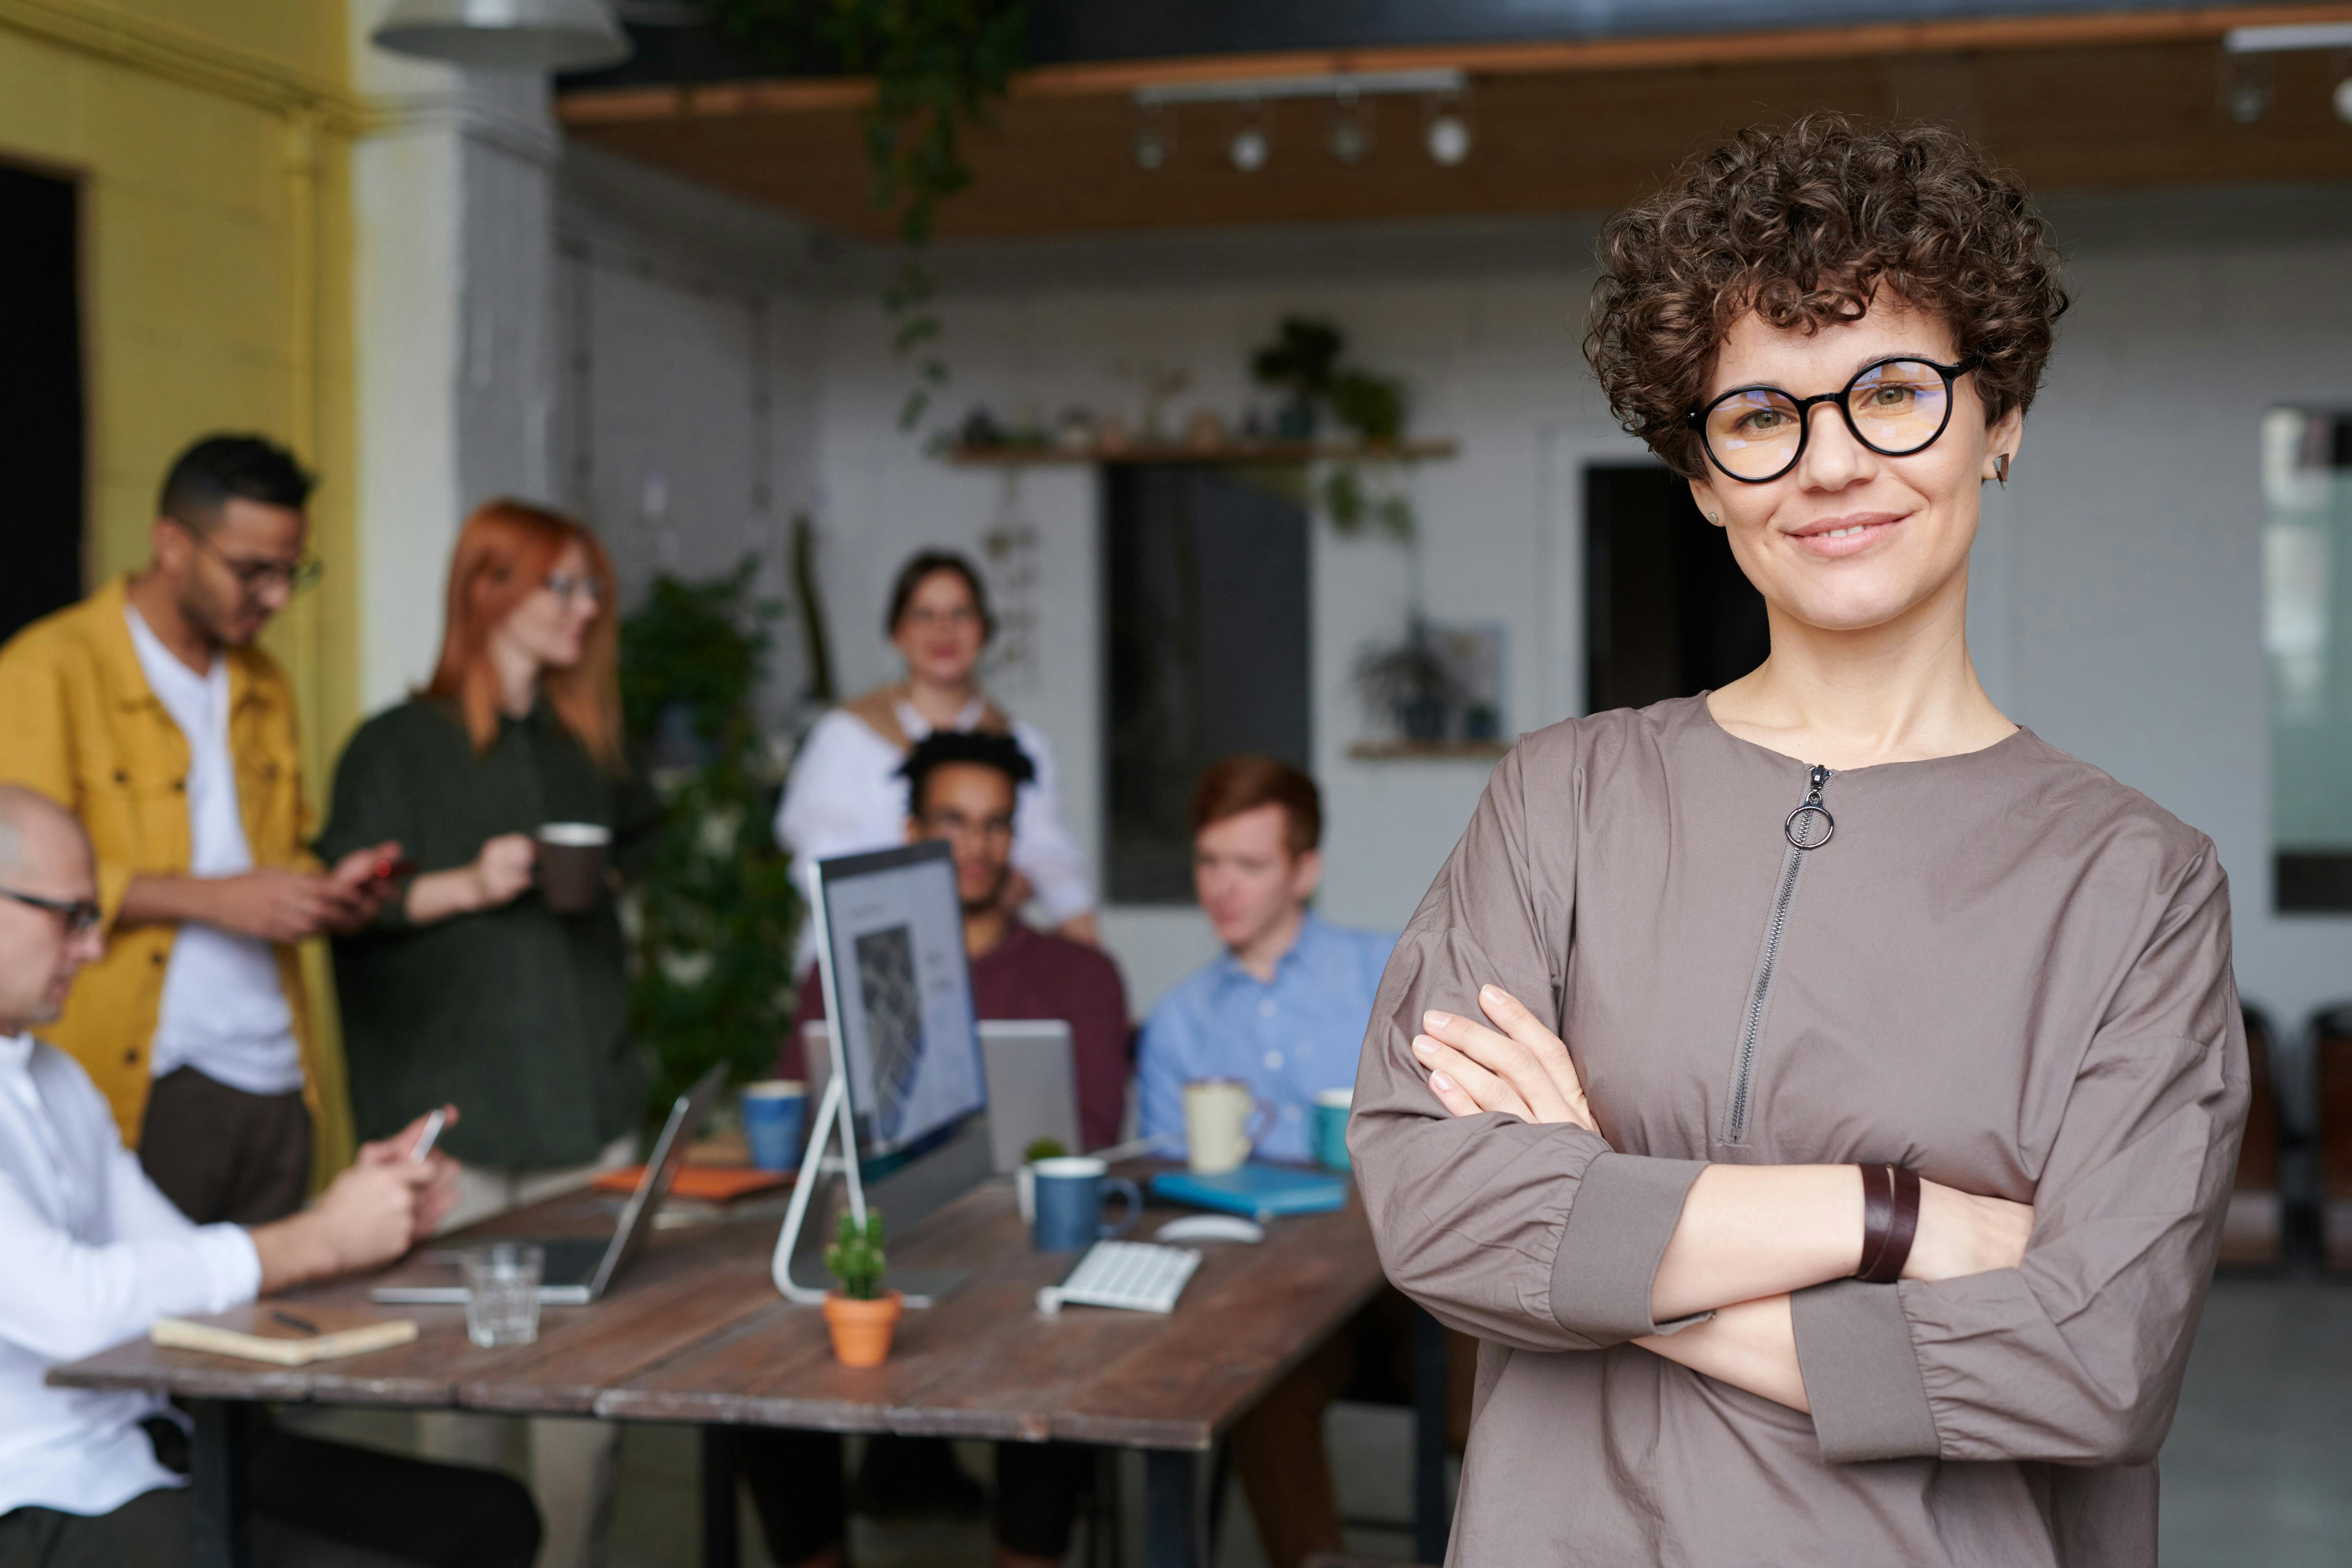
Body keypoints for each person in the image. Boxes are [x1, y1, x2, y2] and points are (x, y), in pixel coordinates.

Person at [1352, 115, 2246, 1568]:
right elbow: (1442, 1214)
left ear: (1997, 417)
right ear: (1703, 473)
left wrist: (1603, 1223)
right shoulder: (1559, 801)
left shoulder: (2134, 882)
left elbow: (2094, 1358)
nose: (1830, 464)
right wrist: (1893, 1221)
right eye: (1763, 414)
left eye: (1890, 390)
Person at [0, 785, 541, 1568]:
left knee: (491, 1516)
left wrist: (354, 1215)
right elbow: (74, 1309)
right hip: (38, 1493)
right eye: (72, 916)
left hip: (157, 1446)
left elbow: (186, 1257)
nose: (94, 944)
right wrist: (320, 1238)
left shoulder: (57, 1077)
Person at [315, 500, 657, 1568]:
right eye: (562, 584)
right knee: (458, 1411)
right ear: (486, 589)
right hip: (454, 1120)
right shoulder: (394, 747)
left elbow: (620, 880)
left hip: (584, 1109)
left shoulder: (579, 748)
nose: (586, 608)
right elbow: (342, 908)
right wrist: (461, 885)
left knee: (582, 1415)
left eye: (592, 588)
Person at [743, 729, 1131, 1568]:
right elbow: (811, 1127)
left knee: (1058, 1353)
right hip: (881, 1237)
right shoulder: (839, 970)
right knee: (763, 1369)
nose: (976, 844)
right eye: (953, 821)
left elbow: (1094, 1131)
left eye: (996, 823)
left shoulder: (1081, 974)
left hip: (1021, 1249)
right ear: (913, 833)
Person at [0, 434, 399, 1227]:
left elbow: (273, 852)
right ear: (172, 544)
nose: (279, 596)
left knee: (277, 1323)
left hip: (279, 1071)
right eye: (254, 570)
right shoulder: (48, 668)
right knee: (152, 1331)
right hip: (147, 1074)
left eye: (293, 571)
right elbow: (21, 884)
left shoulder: (265, 682)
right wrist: (218, 901)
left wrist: (324, 893)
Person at [1134, 756, 1441, 1568]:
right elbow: (1172, 1190)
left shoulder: (1388, 970)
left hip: (1408, 1284)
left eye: (1250, 864)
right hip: (1278, 1301)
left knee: (1506, 1347)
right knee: (1254, 1369)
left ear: (1305, 870)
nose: (1222, 887)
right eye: (1209, 862)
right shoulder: (1178, 1023)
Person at [776, 550, 1096, 947]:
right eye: (924, 615)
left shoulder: (1017, 743)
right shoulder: (846, 735)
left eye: (960, 614)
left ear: (984, 630)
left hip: (980, 956)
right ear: (897, 633)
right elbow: (820, 862)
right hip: (861, 948)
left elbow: (1051, 858)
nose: (943, 630)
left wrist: (1080, 936)